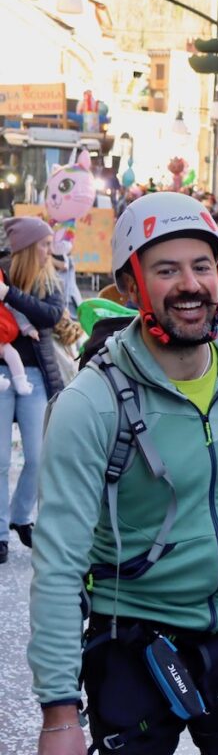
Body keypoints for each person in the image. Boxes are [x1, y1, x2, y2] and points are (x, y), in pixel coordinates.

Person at [27, 192, 218, 755]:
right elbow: (59, 565)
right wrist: (59, 713)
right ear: (130, 283)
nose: (189, 285)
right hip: (133, 641)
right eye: (166, 270)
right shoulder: (90, 405)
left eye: (201, 266)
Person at [0, 216, 66, 565]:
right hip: (1, 373)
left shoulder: (49, 278)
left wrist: (11, 295)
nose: (49, 249)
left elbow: (52, 316)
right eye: (43, 243)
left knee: (38, 457)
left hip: (37, 376)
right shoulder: (1, 271)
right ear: (27, 246)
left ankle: (19, 515)